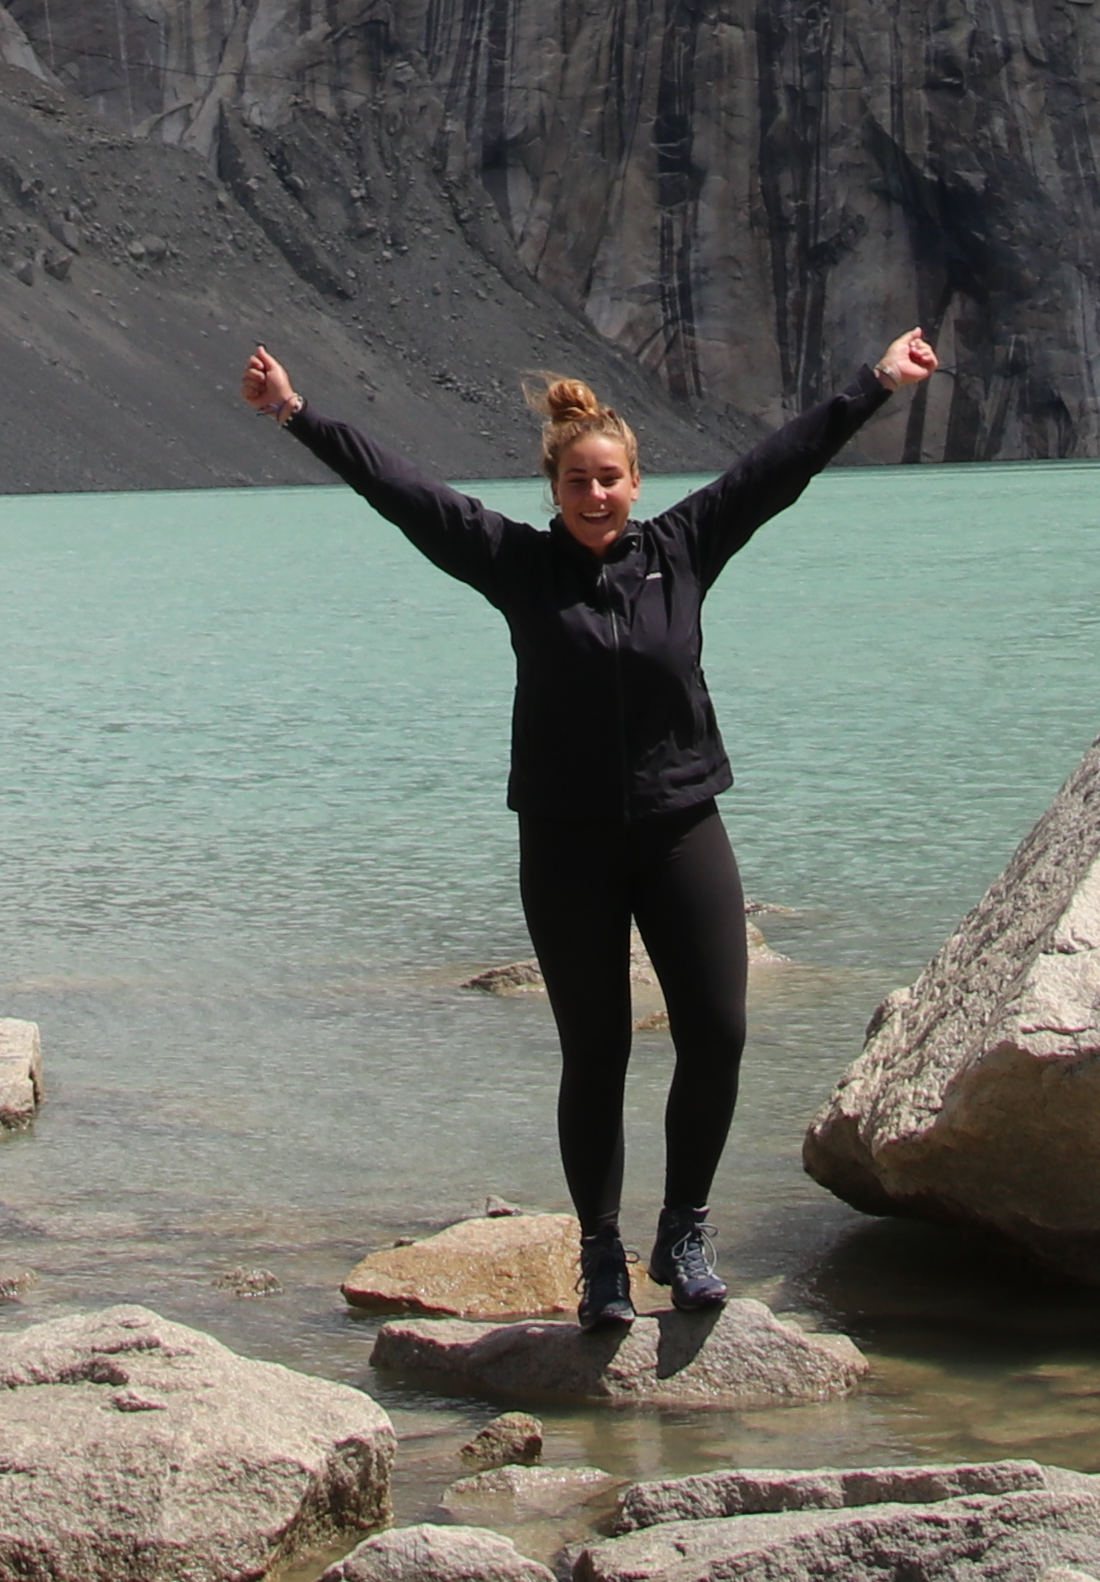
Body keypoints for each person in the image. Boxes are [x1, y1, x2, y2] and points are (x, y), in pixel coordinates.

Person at [243, 324, 941, 1332]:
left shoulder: (686, 546)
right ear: (556, 486)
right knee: (598, 1049)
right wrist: (297, 414)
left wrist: (877, 384)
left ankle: (685, 1232)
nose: (597, 494)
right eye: (579, 480)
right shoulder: (518, 566)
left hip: (678, 827)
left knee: (719, 1032)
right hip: (567, 841)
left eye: (611, 479)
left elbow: (783, 463)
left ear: (637, 482)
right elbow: (405, 492)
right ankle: (603, 1256)